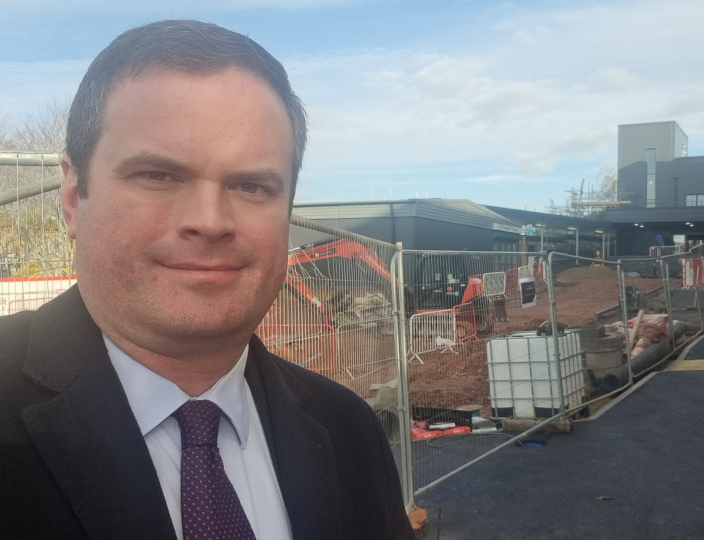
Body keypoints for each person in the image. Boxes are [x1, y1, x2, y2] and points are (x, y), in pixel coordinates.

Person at [0, 20, 415, 540]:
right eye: (158, 175)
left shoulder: (347, 428)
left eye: (251, 185)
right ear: (72, 198)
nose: (211, 220)